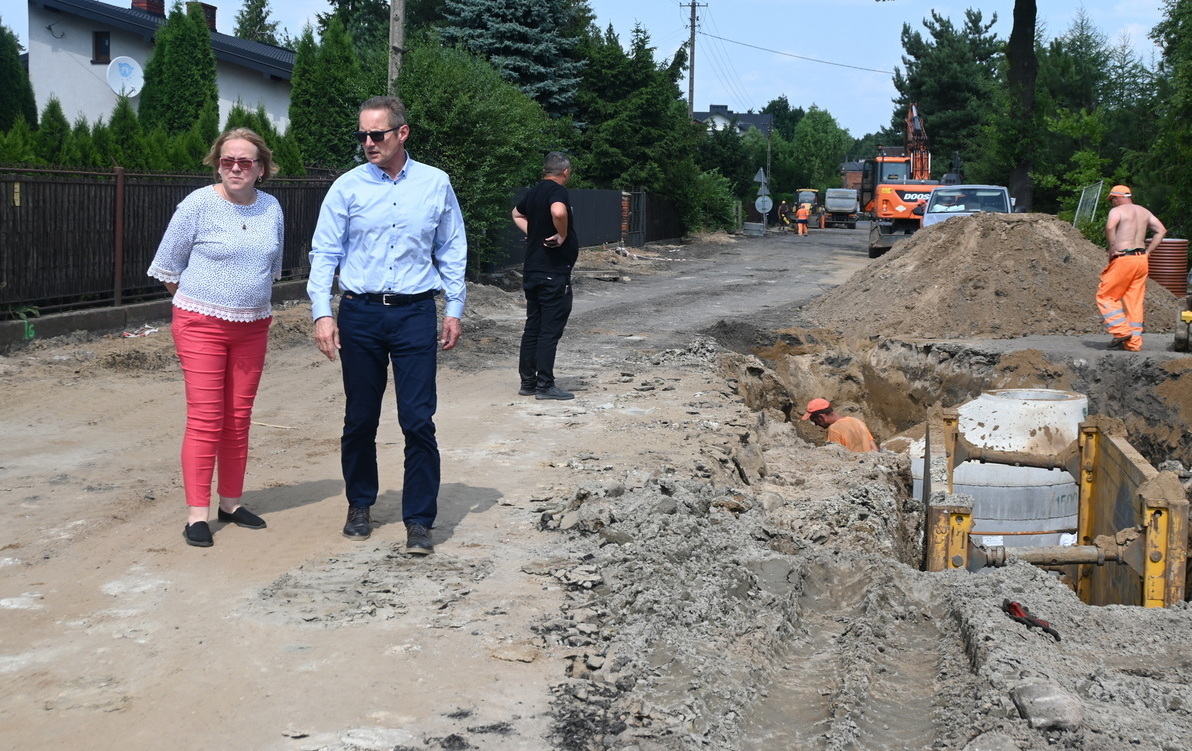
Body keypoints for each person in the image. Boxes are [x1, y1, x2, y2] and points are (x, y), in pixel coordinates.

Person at [308, 95, 466, 555]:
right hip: (360, 313)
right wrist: (322, 312)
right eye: (362, 135)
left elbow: (451, 247)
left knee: (418, 420)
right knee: (360, 418)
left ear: (402, 133)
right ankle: (360, 503)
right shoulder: (347, 188)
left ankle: (419, 519)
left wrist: (454, 307)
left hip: (416, 313)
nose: (368, 143)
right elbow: (325, 253)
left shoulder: (436, 184)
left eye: (377, 134)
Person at [147, 127, 283, 548]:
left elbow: (271, 267)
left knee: (238, 419)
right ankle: (196, 515)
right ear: (217, 164)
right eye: (228, 161)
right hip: (201, 325)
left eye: (245, 161)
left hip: (253, 326)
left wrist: (245, 302)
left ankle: (232, 503)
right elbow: (169, 268)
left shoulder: (272, 208)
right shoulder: (197, 205)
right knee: (206, 419)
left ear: (261, 168)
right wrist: (203, 304)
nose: (236, 168)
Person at [511, 152, 578, 400]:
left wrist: (536, 231)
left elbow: (516, 213)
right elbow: (559, 213)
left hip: (533, 271)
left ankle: (528, 383)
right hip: (553, 271)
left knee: (533, 327)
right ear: (565, 172)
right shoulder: (557, 192)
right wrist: (561, 235)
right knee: (549, 330)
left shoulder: (535, 191)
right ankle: (545, 386)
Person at [1099, 184, 1166, 352]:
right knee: (1134, 301)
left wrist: (1112, 247)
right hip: (1141, 259)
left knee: (1106, 296)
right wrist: (1149, 251)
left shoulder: (1117, 211)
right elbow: (1161, 230)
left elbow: (1109, 227)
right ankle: (1133, 344)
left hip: (1124, 258)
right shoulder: (1144, 211)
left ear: (1117, 197)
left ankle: (1121, 331)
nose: (1112, 203)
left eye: (1112, 200)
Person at [801, 398, 878, 453]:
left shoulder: (834, 429)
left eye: (815, 421)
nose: (816, 424)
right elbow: (875, 449)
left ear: (821, 417)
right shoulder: (857, 421)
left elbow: (834, 456)